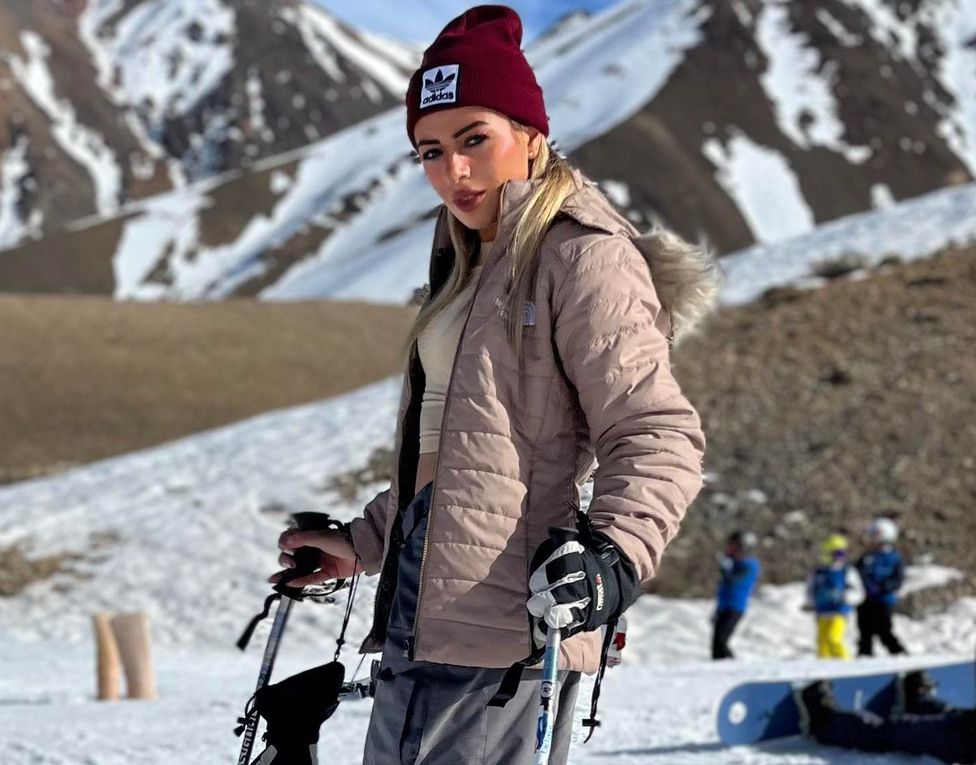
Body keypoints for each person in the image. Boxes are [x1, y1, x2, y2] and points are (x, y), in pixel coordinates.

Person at [270, 5, 716, 763]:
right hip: (426, 601)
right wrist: (364, 542)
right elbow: (467, 450)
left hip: (513, 616)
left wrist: (612, 556)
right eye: (431, 152)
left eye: (475, 139)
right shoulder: (468, 263)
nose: (454, 172)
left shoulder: (581, 256)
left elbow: (657, 432)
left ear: (531, 135)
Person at [796, 669, 975, 763]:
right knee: (952, 715)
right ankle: (917, 702)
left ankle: (823, 720)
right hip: (966, 725)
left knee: (887, 733)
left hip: (963, 742)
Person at [856, 517, 907, 657]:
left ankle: (899, 654)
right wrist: (864, 586)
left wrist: (884, 587)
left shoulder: (895, 557)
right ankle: (864, 656)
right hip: (866, 599)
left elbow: (898, 578)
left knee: (884, 629)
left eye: (875, 534)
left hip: (884, 600)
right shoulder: (868, 557)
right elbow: (857, 573)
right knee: (865, 631)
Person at [807, 533, 864, 659]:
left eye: (842, 554)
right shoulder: (818, 572)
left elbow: (859, 592)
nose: (840, 558)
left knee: (833, 638)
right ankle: (824, 670)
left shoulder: (846, 571)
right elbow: (811, 589)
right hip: (822, 612)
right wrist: (811, 601)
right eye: (837, 554)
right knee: (822, 645)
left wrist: (846, 597)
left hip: (839, 611)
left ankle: (845, 665)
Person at [712, 530, 761, 660]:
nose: (729, 548)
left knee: (721, 642)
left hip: (735, 606)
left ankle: (732, 667)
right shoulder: (734, 563)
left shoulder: (749, 564)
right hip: (724, 606)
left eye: (733, 545)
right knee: (716, 644)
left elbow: (735, 581)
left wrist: (726, 568)